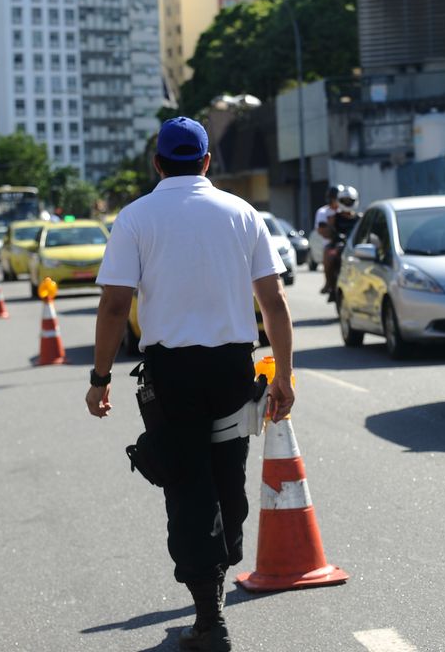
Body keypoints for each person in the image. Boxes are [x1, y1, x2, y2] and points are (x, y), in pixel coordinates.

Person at [84, 116, 296, 652]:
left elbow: (113, 306)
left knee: (187, 486)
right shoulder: (242, 214)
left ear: (157, 163)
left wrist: (100, 377)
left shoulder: (135, 219)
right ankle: (213, 601)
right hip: (232, 371)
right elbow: (273, 303)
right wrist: (285, 377)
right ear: (207, 161)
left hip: (172, 377)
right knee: (227, 479)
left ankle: (209, 620)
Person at [322, 185, 360, 301]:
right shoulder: (334, 217)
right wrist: (332, 233)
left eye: (350, 201)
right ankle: (329, 283)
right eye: (345, 201)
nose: (347, 203)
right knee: (329, 254)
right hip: (338, 246)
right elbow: (327, 231)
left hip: (354, 247)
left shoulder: (359, 218)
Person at [313, 185, 341, 293]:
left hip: (346, 243)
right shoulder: (323, 212)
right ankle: (328, 282)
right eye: (335, 198)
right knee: (329, 256)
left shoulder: (346, 210)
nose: (337, 201)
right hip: (331, 244)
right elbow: (322, 230)